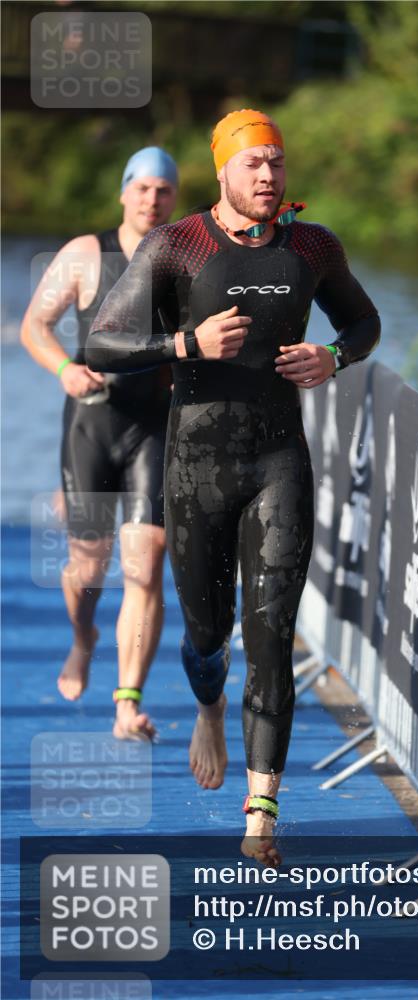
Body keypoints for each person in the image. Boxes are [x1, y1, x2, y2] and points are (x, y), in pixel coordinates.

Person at [87, 109, 380, 864]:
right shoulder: (178, 244)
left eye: (277, 162)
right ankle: (208, 708)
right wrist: (182, 342)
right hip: (196, 467)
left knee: (272, 636)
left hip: (279, 460)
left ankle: (261, 815)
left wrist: (334, 359)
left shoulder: (312, 245)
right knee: (208, 635)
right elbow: (100, 343)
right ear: (222, 171)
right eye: (252, 163)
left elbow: (363, 322)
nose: (267, 175)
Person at [20, 147, 179, 740]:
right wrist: (64, 368)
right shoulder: (85, 254)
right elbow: (35, 325)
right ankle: (83, 638)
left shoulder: (187, 260)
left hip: (155, 427)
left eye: (164, 190)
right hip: (92, 421)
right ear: (124, 193)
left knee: (146, 564)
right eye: (142, 188)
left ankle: (127, 702)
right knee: (89, 567)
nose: (152, 199)